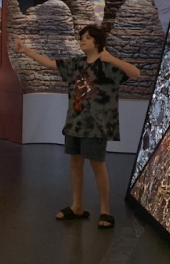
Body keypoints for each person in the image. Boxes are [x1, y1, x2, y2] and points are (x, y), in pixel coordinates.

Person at [14, 25, 140, 229]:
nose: (83, 40)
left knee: (97, 164)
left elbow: (135, 73)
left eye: (88, 38)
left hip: (97, 125)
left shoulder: (108, 65)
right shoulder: (76, 64)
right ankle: (77, 206)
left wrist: (112, 59)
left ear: (98, 43)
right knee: (75, 161)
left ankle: (105, 210)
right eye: (82, 37)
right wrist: (26, 50)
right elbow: (50, 64)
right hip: (75, 123)